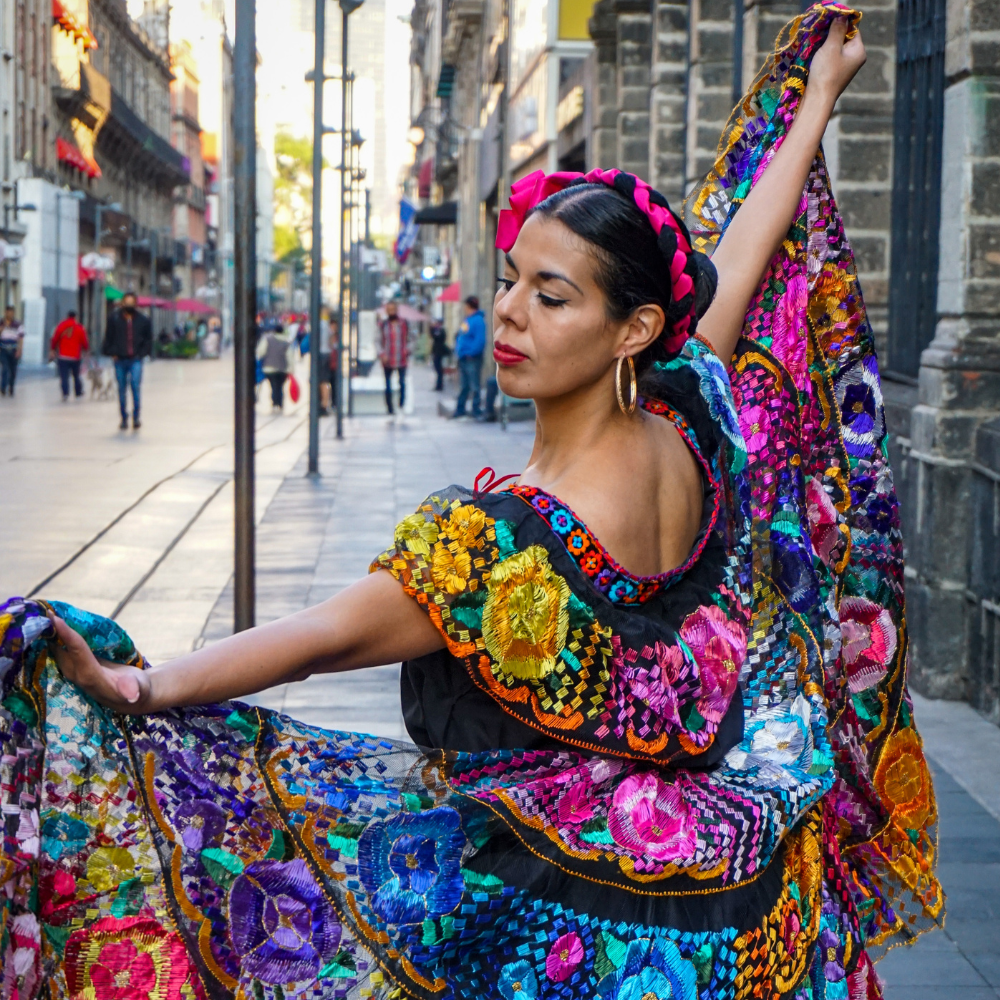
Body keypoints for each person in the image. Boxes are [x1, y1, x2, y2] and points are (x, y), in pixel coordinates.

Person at [2, 13, 942, 998]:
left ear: (635, 327)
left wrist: (143, 691)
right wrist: (816, 101)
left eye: (552, 295)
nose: (506, 312)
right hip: (733, 897)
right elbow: (743, 254)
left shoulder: (502, 546)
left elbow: (322, 634)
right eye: (509, 281)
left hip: (573, 920)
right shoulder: (691, 414)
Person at [102, 290, 152, 429]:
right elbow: (108, 338)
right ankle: (124, 417)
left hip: (136, 359)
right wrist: (112, 352)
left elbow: (148, 339)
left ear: (135, 304)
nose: (129, 305)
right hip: (120, 359)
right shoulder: (114, 319)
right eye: (127, 302)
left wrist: (142, 353)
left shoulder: (143, 320)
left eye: (131, 303)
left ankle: (136, 417)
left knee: (135, 387)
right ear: (122, 303)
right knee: (121, 389)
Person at [452, 294, 486, 417]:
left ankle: (476, 409)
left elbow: (480, 341)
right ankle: (460, 409)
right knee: (464, 386)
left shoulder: (478, 321)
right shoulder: (468, 320)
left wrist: (470, 353)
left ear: (468, 306)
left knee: (474, 385)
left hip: (472, 358)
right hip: (463, 358)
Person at [49, 309, 90, 400]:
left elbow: (55, 339)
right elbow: (84, 341)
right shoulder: (80, 327)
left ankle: (65, 393)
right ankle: (78, 393)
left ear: (67, 316)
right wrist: (86, 350)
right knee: (76, 375)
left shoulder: (61, 326)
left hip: (63, 356)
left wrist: (52, 349)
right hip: (75, 357)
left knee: (64, 376)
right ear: (76, 317)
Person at [378, 299, 410, 414]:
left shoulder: (404, 323)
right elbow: (377, 340)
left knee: (401, 382)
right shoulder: (383, 324)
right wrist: (382, 354)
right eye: (389, 310)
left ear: (397, 310)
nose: (391, 312)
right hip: (387, 358)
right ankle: (390, 408)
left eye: (393, 309)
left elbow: (411, 338)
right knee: (387, 384)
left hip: (401, 357)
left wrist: (408, 348)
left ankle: (401, 404)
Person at [256, 322, 293, 410]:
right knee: (279, 386)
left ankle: (275, 402)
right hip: (282, 369)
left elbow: (261, 351)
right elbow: (290, 357)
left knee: (273, 385)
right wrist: (291, 369)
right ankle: (279, 402)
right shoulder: (286, 342)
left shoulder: (267, 339)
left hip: (269, 368)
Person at [0, 304, 24, 396]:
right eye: (8, 313)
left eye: (11, 313)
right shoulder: (1, 322)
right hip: (3, 349)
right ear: (5, 313)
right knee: (5, 368)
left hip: (13, 349)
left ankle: (11, 387)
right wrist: (3, 327)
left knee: (13, 370)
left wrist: (19, 349)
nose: (10, 314)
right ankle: (3, 387)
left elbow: (21, 337)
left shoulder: (17, 324)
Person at [430, 318, 450, 390]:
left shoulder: (441, 331)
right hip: (437, 351)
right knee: (437, 369)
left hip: (439, 352)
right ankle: (438, 385)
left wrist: (432, 329)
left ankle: (439, 385)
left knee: (439, 369)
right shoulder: (439, 330)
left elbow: (436, 337)